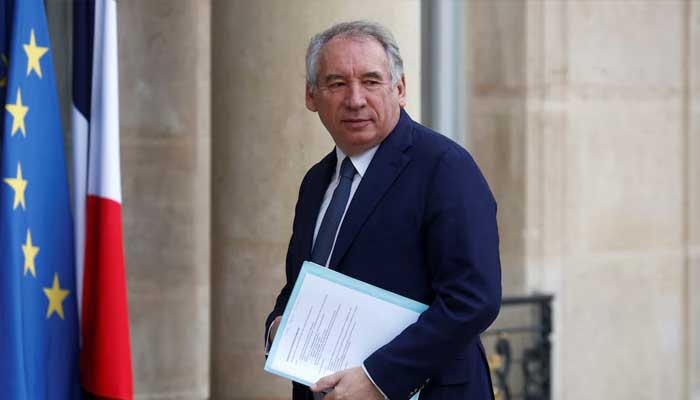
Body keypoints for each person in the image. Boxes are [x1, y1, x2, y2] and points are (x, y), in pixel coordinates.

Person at [265, 20, 501, 400]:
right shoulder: (315, 183)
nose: (355, 99)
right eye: (337, 83)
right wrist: (278, 328)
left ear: (400, 89)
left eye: (372, 82)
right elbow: (305, 283)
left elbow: (473, 300)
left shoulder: (444, 167)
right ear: (311, 96)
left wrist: (378, 378)